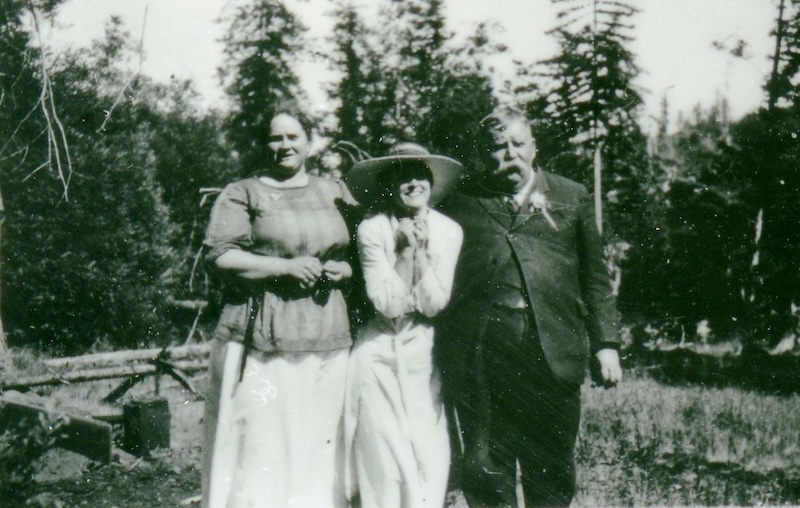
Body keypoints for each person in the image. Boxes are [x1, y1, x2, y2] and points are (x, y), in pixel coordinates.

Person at [436, 108, 623, 507]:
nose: (509, 156)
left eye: (517, 145)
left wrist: (606, 343)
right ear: (480, 154)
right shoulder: (459, 201)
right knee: (486, 469)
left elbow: (595, 277)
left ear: (533, 147)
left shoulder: (570, 196)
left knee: (551, 469)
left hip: (550, 354)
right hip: (480, 357)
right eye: (497, 149)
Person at [201, 101, 355, 508]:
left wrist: (345, 269)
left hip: (329, 337)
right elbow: (221, 256)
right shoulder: (243, 193)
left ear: (309, 141)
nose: (284, 145)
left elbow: (362, 248)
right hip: (264, 338)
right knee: (264, 448)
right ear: (264, 144)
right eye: (275, 137)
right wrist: (283, 268)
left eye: (293, 136)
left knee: (319, 446)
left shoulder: (335, 190)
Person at [343, 143, 464, 508]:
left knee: (428, 455)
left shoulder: (448, 231)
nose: (413, 183)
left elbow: (434, 303)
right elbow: (389, 305)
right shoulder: (372, 230)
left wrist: (423, 256)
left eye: (420, 175)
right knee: (383, 459)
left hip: (422, 351)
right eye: (402, 176)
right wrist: (405, 252)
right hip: (377, 350)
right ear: (388, 185)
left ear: (431, 181)